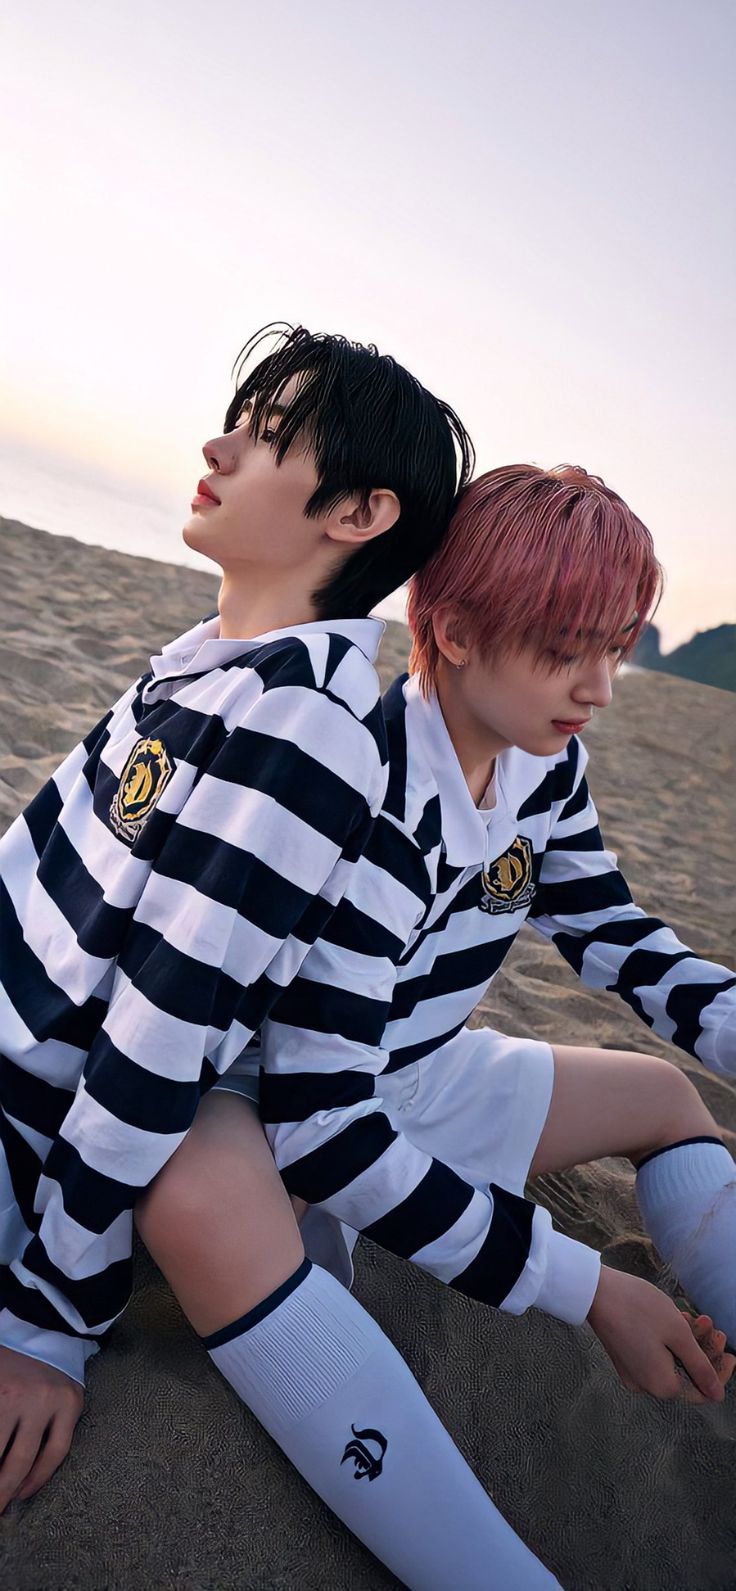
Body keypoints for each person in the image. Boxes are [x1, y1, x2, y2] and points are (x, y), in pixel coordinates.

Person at [2, 324, 557, 1591]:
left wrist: (47, 1321)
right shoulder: (206, 666)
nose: (218, 444)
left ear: (361, 511)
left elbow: (163, 1022)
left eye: (267, 433)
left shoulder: (303, 722)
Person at [137, 463, 736, 1587]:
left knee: (660, 1097)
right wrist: (594, 1286)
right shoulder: (354, 776)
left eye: (617, 646)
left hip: (416, 1066)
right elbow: (321, 1116)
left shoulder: (546, 768)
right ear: (452, 631)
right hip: (274, 1100)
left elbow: (611, 931)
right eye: (569, 649)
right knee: (201, 1196)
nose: (599, 685)